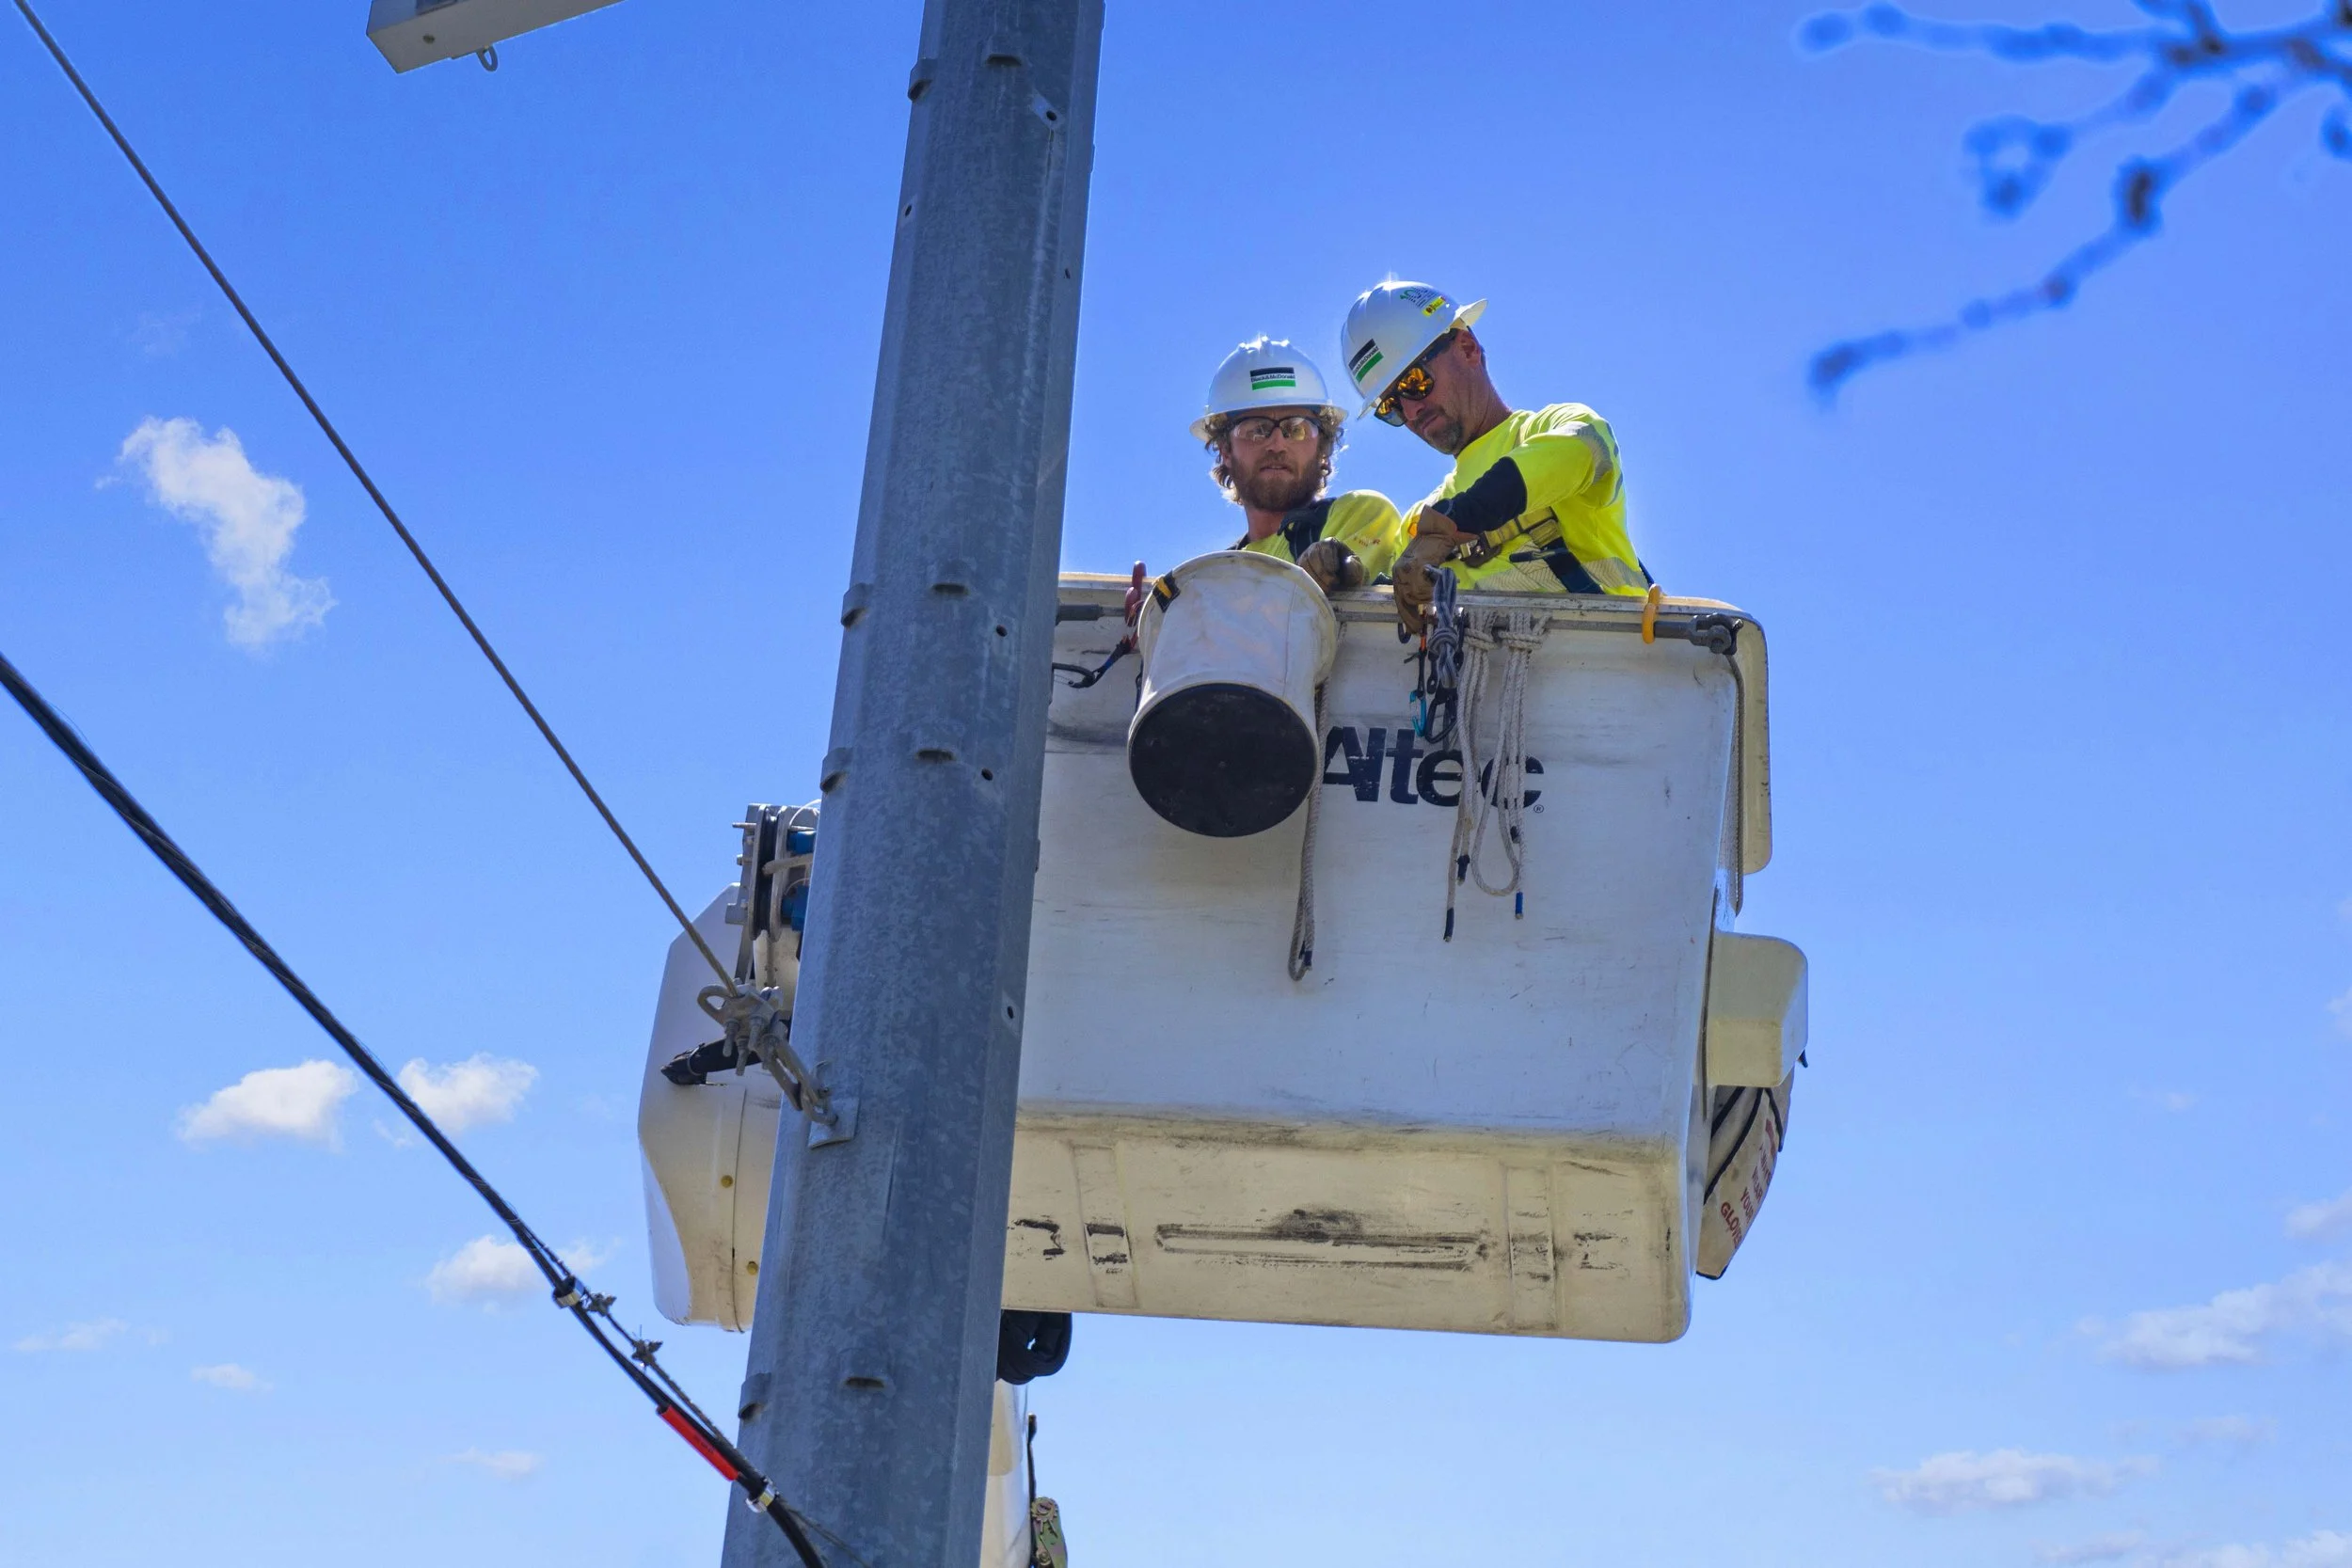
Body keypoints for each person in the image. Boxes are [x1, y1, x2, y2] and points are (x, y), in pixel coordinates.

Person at [1338, 281, 1648, 632]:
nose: (1411, 411)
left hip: (1613, 670)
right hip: (1487, 683)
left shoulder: (1559, 427)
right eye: (1390, 406)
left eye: (1414, 381)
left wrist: (1454, 522)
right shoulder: (1416, 525)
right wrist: (1339, 577)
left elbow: (1574, 454)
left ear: (1468, 349)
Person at [1192, 337, 1403, 593]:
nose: (1277, 444)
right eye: (1257, 430)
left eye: (1296, 429)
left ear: (1321, 447)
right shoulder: (1215, 577)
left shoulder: (1360, 513)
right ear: (1226, 449)